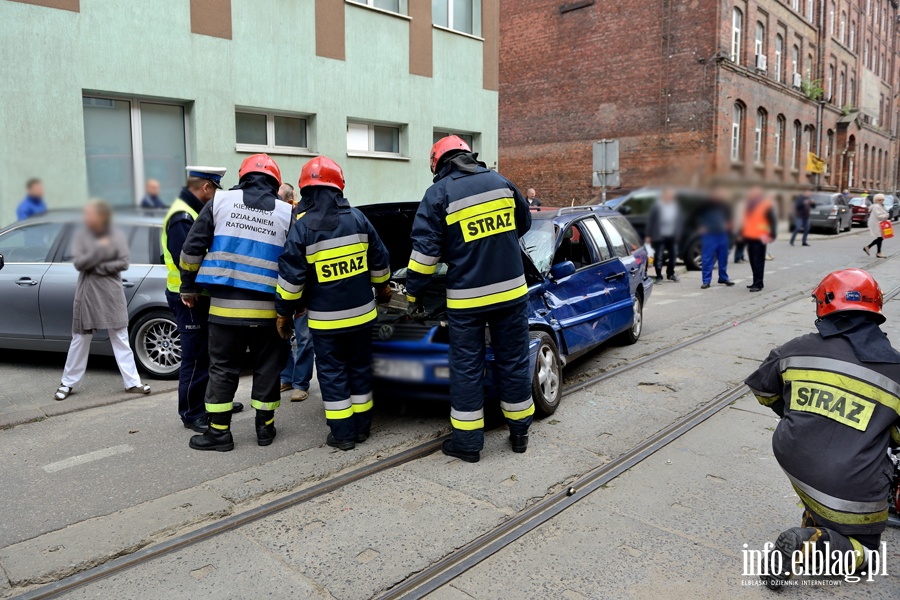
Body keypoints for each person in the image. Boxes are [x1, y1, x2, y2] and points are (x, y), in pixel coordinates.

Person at [746, 269, 900, 589]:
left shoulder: (795, 349)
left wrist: (797, 413)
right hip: (849, 478)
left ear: (825, 307)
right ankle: (811, 544)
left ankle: (819, 524)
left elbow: (764, 390)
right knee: (866, 557)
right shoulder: (896, 369)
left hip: (794, 455)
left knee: (827, 476)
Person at [406, 135, 534, 463]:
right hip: (512, 294)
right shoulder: (501, 182)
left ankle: (468, 444)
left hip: (467, 300)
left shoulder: (438, 194)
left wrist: (413, 293)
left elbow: (424, 256)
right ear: (468, 155)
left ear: (438, 165)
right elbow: (524, 224)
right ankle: (519, 434)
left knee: (466, 368)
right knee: (514, 360)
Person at [277, 157, 391, 450]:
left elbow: (291, 279)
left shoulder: (303, 229)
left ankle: (342, 435)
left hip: (326, 322)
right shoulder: (358, 218)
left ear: (306, 191)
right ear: (338, 186)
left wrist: (283, 314)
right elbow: (380, 261)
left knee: (332, 373)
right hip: (363, 317)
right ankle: (362, 429)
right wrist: (383, 290)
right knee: (360, 370)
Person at [179, 154, 292, 452]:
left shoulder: (220, 202)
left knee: (223, 368)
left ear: (243, 177)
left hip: (224, 309)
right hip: (270, 312)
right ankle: (265, 429)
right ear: (275, 182)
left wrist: (188, 286)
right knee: (268, 367)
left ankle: (219, 434)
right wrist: (296, 302)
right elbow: (296, 263)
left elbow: (192, 248)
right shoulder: (286, 212)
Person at [162, 166, 243, 433]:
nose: (215, 196)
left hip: (199, 295)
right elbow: (185, 259)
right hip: (188, 297)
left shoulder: (192, 211)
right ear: (206, 187)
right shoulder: (182, 216)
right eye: (214, 190)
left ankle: (212, 404)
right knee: (196, 357)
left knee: (209, 355)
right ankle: (191, 413)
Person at [54, 201, 151, 400]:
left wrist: (96, 263)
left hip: (111, 294)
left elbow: (122, 262)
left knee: (121, 338)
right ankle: (67, 383)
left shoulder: (116, 236)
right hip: (87, 294)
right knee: (80, 339)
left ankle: (133, 383)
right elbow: (80, 263)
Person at [276, 181, 314, 403]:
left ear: (290, 202)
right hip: (280, 286)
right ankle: (287, 377)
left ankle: (301, 383)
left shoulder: (304, 219)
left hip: (301, 290)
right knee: (282, 335)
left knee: (304, 338)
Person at [742, 187, 776, 292]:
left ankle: (758, 284)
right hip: (749, 236)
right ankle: (756, 281)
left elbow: (772, 220)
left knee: (758, 261)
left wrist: (772, 234)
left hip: (761, 237)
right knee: (752, 260)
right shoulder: (749, 204)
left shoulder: (766, 205)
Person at [698, 191, 734, 289]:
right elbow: (694, 216)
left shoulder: (724, 205)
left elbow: (729, 218)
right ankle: (706, 281)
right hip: (709, 235)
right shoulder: (704, 205)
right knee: (707, 258)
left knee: (723, 258)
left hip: (722, 234)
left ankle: (723, 278)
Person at [645, 188, 681, 284]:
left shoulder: (674, 206)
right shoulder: (657, 206)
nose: (670, 197)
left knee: (673, 255)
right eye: (668, 195)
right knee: (659, 256)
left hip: (672, 235)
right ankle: (659, 276)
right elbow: (651, 221)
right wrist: (648, 235)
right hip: (659, 235)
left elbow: (678, 220)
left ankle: (670, 274)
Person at [863, 193, 890, 258]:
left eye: (882, 200)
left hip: (878, 223)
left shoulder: (879, 206)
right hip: (876, 224)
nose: (881, 201)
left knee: (880, 238)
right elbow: (879, 216)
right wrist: (887, 215)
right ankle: (877, 252)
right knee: (880, 238)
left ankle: (869, 248)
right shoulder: (876, 207)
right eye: (879, 200)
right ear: (876, 200)